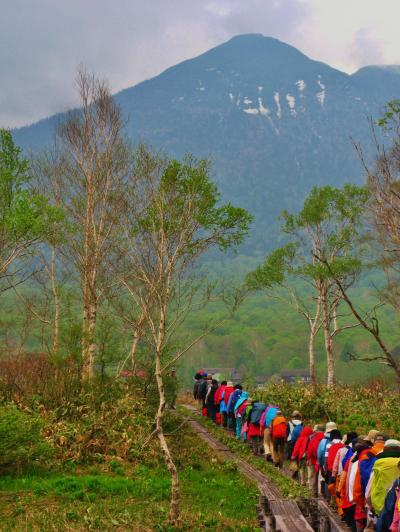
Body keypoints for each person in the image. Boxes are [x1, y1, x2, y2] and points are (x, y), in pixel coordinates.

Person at [307, 424, 325, 496]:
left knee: (315, 475)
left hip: (314, 460)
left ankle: (315, 492)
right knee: (322, 476)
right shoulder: (325, 438)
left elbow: (310, 449)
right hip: (323, 460)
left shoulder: (314, 438)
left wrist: (309, 458)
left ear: (316, 430)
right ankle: (322, 493)